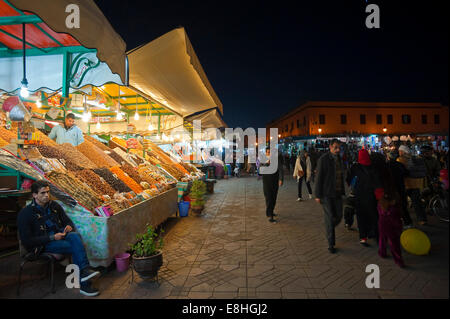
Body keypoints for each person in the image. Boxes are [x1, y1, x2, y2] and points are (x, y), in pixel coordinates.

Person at [17, 180, 100, 296]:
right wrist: (51, 238)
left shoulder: (54, 206)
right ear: (34, 195)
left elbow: (68, 221)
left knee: (74, 236)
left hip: (61, 237)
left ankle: (85, 273)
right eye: (42, 193)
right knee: (75, 246)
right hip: (42, 245)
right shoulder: (25, 213)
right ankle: (85, 281)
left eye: (48, 192)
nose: (46, 195)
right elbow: (27, 241)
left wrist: (68, 227)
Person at [314, 139, 345, 253]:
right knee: (330, 216)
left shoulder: (339, 159)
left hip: (337, 192)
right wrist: (317, 194)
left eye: (339, 148)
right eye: (336, 147)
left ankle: (329, 226)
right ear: (330, 147)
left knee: (339, 216)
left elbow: (341, 175)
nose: (338, 150)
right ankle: (331, 243)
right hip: (326, 193)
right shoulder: (324, 159)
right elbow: (319, 177)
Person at [374, 164, 405, 268]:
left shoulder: (377, 177)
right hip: (392, 207)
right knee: (393, 238)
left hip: (384, 206)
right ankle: (398, 259)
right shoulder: (394, 173)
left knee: (384, 234)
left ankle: (383, 252)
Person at [346, 149, 379, 246]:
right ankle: (374, 234)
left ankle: (363, 237)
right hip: (371, 196)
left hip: (359, 196)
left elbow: (348, 179)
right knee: (373, 215)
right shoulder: (373, 167)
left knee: (361, 216)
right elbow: (377, 182)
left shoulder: (355, 167)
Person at [397, 145, 427, 225]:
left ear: (403, 151)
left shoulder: (400, 159)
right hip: (416, 184)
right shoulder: (414, 158)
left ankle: (404, 219)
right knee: (417, 203)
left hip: (406, 184)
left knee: (402, 203)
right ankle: (422, 219)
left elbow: (400, 172)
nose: (399, 152)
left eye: (400, 151)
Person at [386, 150, 412, 228]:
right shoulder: (400, 165)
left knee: (392, 206)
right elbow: (407, 173)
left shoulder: (387, 165)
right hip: (401, 187)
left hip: (391, 188)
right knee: (402, 206)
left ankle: (396, 222)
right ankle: (408, 222)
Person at [261, 148, 284, 223]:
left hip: (274, 182)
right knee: (269, 198)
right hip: (266, 182)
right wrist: (267, 164)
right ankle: (270, 215)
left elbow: (281, 169)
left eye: (270, 152)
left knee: (274, 198)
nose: (269, 154)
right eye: (267, 152)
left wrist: (281, 179)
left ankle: (271, 211)